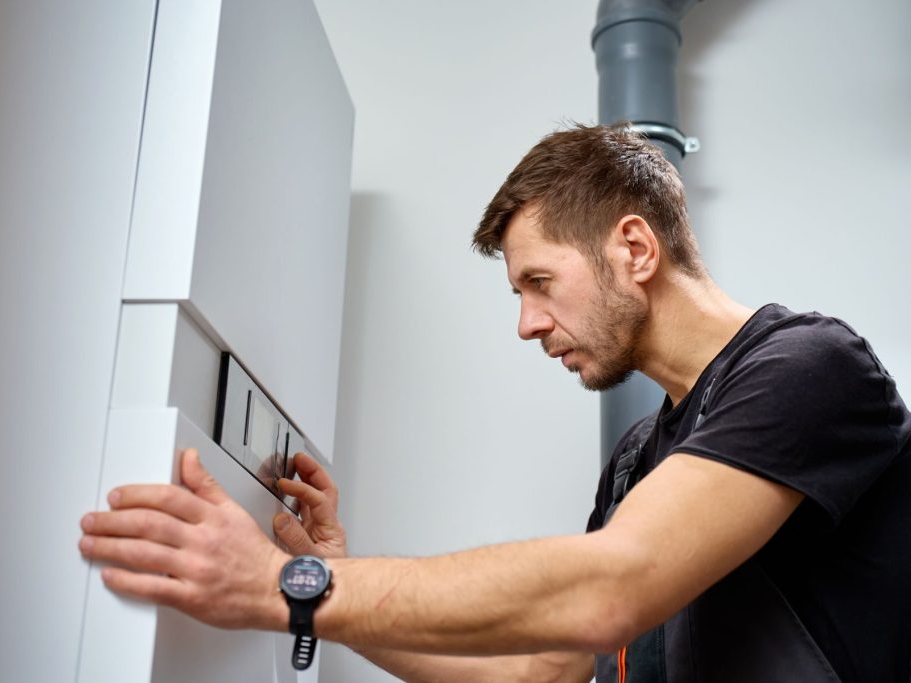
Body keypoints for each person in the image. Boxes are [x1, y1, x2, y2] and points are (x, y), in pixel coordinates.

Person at [78, 124, 911, 682]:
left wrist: (285, 585)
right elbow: (542, 667)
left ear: (634, 247)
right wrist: (331, 584)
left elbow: (610, 588)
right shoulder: (637, 459)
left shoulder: (806, 366)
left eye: (539, 282)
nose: (527, 324)